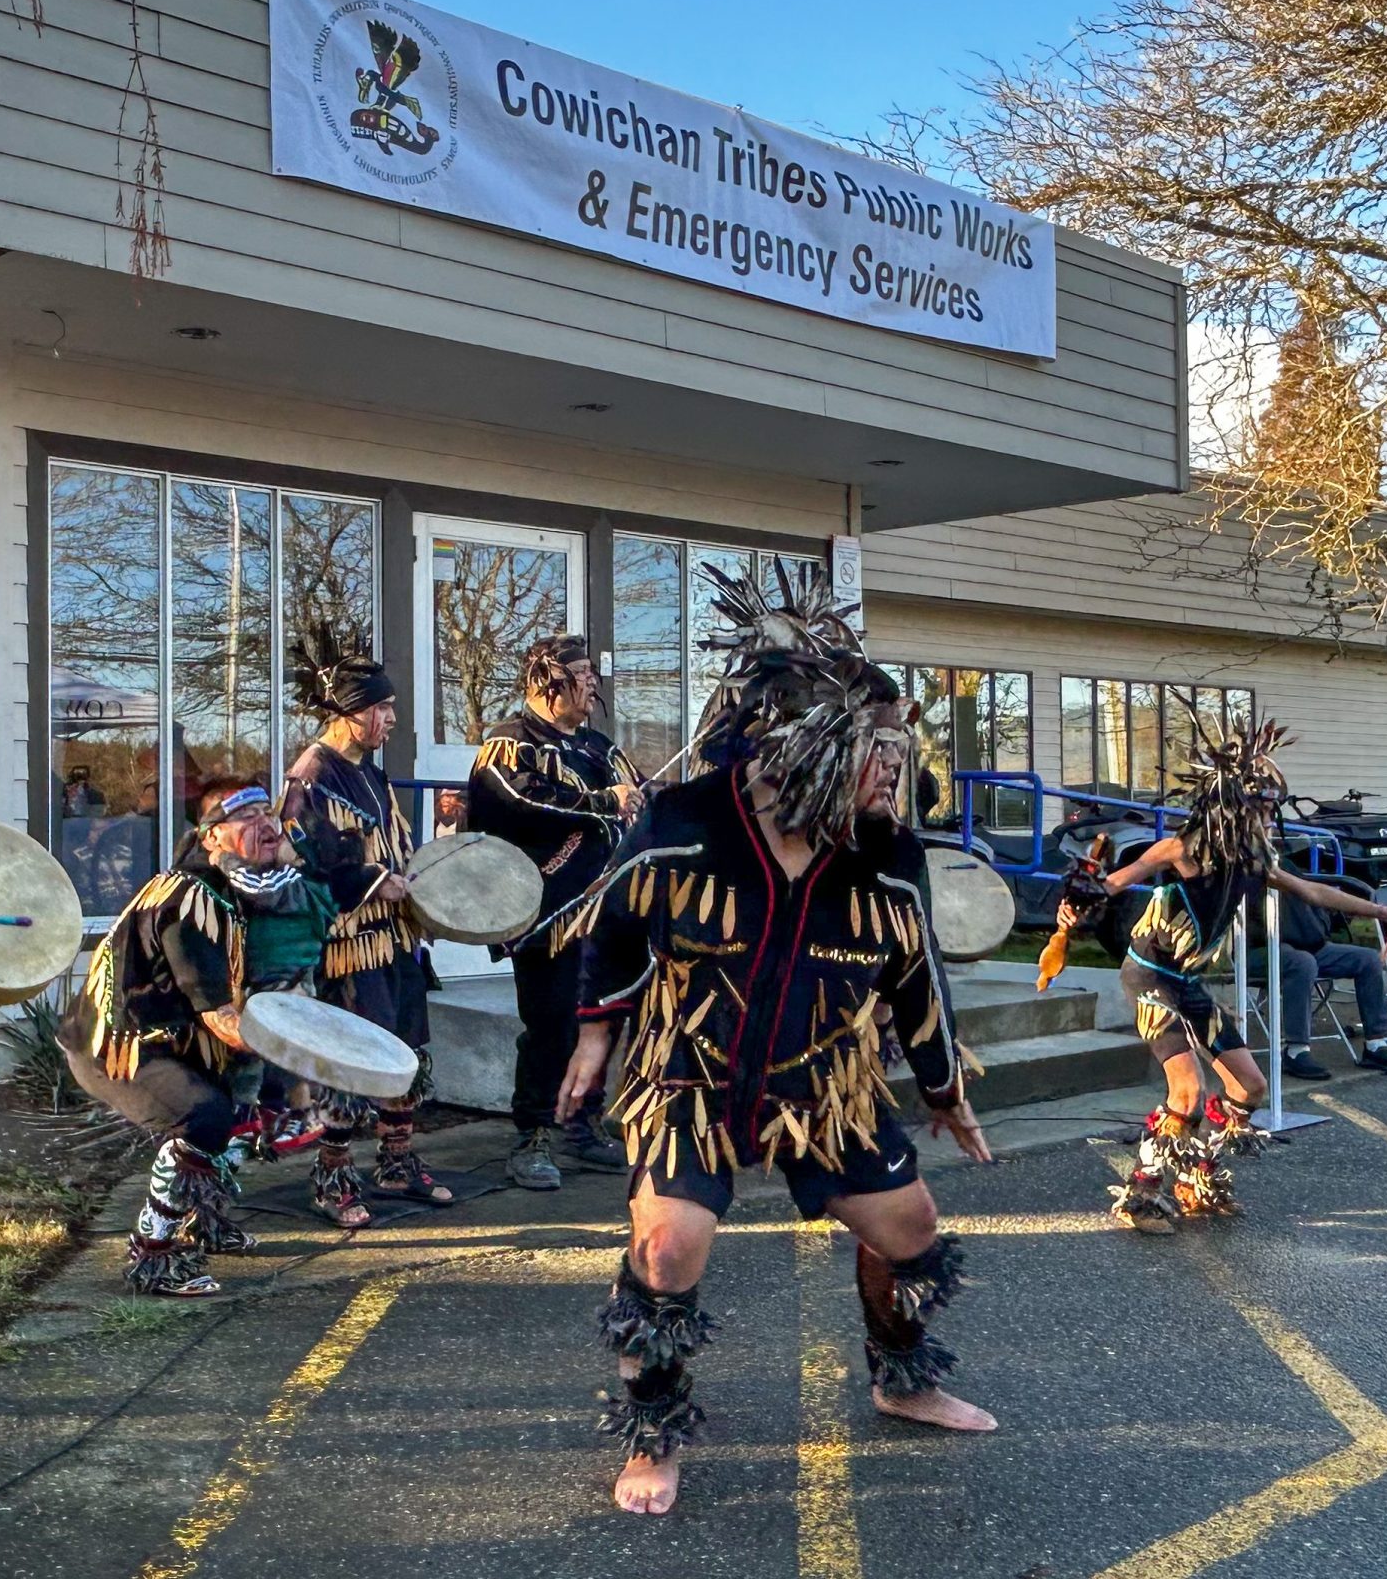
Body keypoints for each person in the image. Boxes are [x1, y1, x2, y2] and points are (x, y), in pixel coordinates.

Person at [557, 564, 991, 1518]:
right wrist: (595, 1033)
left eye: (899, 747)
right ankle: (654, 1431)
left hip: (824, 1083)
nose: (896, 769)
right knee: (667, 1249)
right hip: (690, 1076)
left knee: (912, 1231)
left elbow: (917, 976)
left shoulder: (887, 854)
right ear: (809, 744)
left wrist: (944, 1086)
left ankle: (901, 1377)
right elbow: (614, 927)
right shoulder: (685, 821)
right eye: (879, 748)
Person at [1039, 722, 1387, 1229]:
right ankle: (1142, 1194)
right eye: (1262, 809)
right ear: (1233, 806)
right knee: (1187, 1091)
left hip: (1188, 981)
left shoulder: (1254, 860)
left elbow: (1315, 892)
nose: (1268, 819)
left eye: (1271, 810)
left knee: (1250, 1088)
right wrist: (1075, 907)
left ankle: (1197, 1176)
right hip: (1150, 975)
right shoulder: (1182, 849)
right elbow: (1114, 883)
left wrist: (1386, 911)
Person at [62, 780, 299, 1295]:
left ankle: (202, 1221)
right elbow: (219, 1017)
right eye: (248, 817)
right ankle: (153, 1252)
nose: (267, 824)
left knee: (248, 1104)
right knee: (204, 1115)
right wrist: (304, 1053)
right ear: (212, 837)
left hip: (171, 1039)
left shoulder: (232, 892)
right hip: (118, 1045)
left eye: (269, 813)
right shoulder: (190, 899)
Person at [281, 642, 453, 1226]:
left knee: (406, 1049)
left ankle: (396, 1162)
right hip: (349, 945)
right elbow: (302, 864)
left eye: (392, 707)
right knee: (353, 1058)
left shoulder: (370, 773)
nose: (392, 719)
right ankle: (331, 1176)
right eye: (382, 708)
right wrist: (373, 882)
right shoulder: (312, 776)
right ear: (348, 712)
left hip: (394, 939)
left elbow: (389, 844)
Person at [467, 633, 645, 1191]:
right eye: (582, 672)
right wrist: (604, 801)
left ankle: (582, 1123)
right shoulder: (509, 744)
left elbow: (635, 799)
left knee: (599, 1020)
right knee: (550, 1024)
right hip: (548, 915)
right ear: (549, 681)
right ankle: (533, 1134)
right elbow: (519, 800)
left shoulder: (598, 748)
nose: (593, 682)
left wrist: (642, 801)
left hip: (605, 915)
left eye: (592, 672)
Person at [1267, 884, 1387, 1080]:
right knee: (1302, 963)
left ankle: (1377, 1043)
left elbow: (1317, 893)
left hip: (1311, 946)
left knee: (1368, 959)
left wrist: (1383, 911)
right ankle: (1296, 1050)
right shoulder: (1247, 872)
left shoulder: (1289, 871)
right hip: (1263, 948)